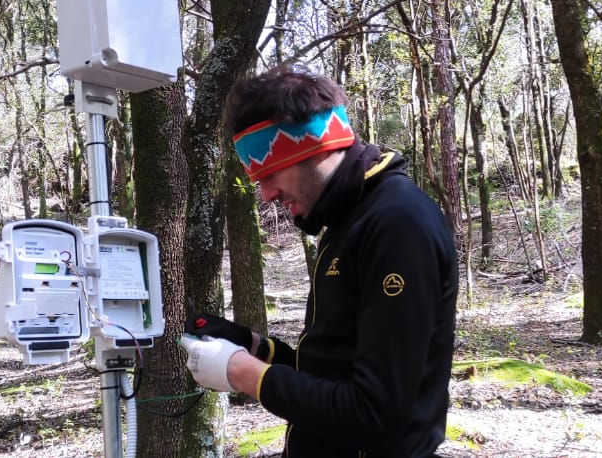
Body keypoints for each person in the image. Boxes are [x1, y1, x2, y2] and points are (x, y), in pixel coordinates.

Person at [180, 66, 459, 457]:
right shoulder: (346, 222)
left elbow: (377, 413)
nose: (265, 195)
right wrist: (253, 347)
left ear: (313, 147)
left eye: (270, 173)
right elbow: (332, 372)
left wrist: (245, 375)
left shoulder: (396, 223)